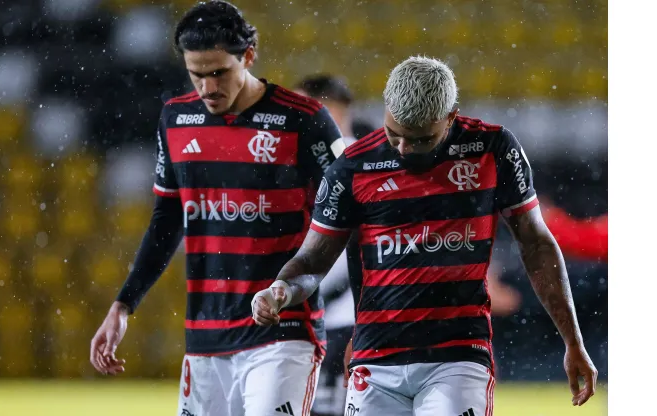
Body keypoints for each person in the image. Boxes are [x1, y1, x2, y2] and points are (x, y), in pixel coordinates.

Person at [252, 56, 598, 415]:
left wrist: (573, 340)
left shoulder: (493, 150)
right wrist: (282, 288)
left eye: (420, 139)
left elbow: (536, 244)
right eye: (394, 134)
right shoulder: (353, 167)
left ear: (451, 116)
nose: (403, 148)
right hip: (376, 358)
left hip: (458, 356)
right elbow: (313, 260)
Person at [89, 2, 344, 415]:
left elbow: (349, 211)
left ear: (248, 55)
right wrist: (123, 305)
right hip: (205, 336)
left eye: (219, 73)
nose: (208, 87)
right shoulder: (176, 118)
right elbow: (167, 219)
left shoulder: (304, 120)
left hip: (282, 330)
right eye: (196, 74)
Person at [292, 75, 366, 416]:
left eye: (299, 109)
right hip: (344, 311)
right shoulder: (374, 159)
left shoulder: (346, 162)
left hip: (336, 315)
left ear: (327, 112)